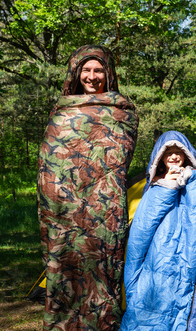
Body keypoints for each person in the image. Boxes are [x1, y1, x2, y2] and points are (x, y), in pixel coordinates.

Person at [37, 45, 138, 331]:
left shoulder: (123, 111)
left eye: (98, 70)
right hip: (63, 208)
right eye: (86, 70)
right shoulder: (62, 109)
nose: (92, 77)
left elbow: (119, 161)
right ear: (75, 73)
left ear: (109, 74)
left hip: (103, 206)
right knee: (65, 263)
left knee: (103, 267)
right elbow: (49, 161)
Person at [121, 131, 196, 331]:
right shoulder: (155, 184)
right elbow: (143, 225)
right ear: (161, 158)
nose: (173, 156)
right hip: (157, 255)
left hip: (187, 252)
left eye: (178, 152)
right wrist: (167, 186)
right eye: (168, 152)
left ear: (187, 155)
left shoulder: (195, 180)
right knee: (150, 297)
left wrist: (189, 180)